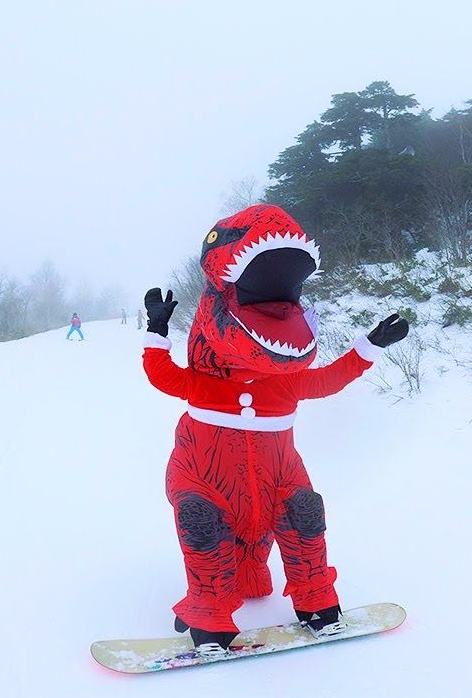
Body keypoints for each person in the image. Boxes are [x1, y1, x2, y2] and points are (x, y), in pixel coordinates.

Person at [140, 204, 408, 657]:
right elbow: (163, 375)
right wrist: (157, 328)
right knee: (203, 526)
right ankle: (208, 614)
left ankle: (317, 602)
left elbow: (328, 379)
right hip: (206, 475)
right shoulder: (205, 383)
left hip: (278, 475)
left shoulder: (285, 383)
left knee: (304, 514)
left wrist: (370, 345)